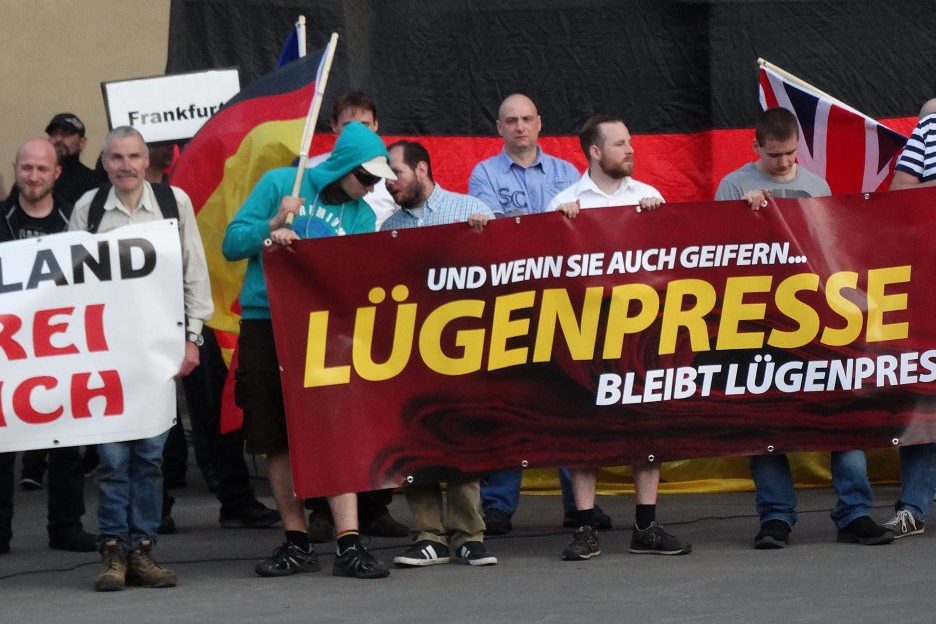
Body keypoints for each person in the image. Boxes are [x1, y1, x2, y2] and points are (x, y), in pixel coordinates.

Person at [222, 121, 395, 579]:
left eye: (378, 180)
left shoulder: (362, 214)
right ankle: (295, 539)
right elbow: (230, 243)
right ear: (342, 166)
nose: (372, 187)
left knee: (335, 430)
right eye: (366, 177)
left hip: (324, 327)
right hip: (266, 320)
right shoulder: (282, 183)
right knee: (274, 436)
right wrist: (273, 226)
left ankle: (349, 541)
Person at [716, 107, 893, 548]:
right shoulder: (733, 186)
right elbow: (716, 254)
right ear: (755, 147)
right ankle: (776, 516)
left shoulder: (817, 186)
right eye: (775, 155)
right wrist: (743, 216)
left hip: (814, 315)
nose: (785, 164)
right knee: (764, 419)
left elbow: (829, 248)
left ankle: (854, 513)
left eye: (792, 153)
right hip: (757, 321)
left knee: (843, 412)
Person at [70, 126, 214, 590]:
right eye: (116, 157)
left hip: (158, 353)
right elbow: (68, 286)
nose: (126, 166)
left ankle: (142, 550)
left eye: (134, 157)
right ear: (105, 162)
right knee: (112, 459)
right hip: (107, 354)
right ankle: (113, 552)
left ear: (145, 161)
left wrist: (194, 339)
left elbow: (195, 273)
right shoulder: (88, 210)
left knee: (150, 457)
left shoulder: (175, 204)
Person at [548, 115, 690, 560]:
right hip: (584, 336)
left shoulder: (650, 196)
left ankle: (646, 525)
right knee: (583, 430)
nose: (631, 150)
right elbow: (547, 276)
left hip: (642, 333)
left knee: (646, 427)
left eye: (630, 142)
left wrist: (657, 223)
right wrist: (561, 228)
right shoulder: (563, 202)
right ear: (594, 151)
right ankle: (586, 527)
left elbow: (675, 263)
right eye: (620, 144)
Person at [469, 93, 601, 535]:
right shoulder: (482, 174)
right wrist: (546, 222)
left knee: (569, 395)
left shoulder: (569, 172)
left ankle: (577, 505)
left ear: (540, 123)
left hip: (564, 298)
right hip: (509, 300)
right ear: (499, 128)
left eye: (527, 119)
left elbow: (582, 230)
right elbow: (493, 231)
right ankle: (498, 506)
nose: (520, 126)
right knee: (511, 400)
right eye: (511, 120)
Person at [378, 140, 497, 567]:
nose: (389, 182)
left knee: (460, 435)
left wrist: (491, 237)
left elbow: (506, 270)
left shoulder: (472, 210)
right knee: (416, 438)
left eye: (396, 172)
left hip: (464, 347)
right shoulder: (387, 227)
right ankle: (429, 534)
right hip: (410, 349)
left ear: (422, 168)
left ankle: (469, 534)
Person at [0, 139, 95, 554]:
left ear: (57, 172)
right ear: (16, 170)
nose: (33, 177)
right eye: (26, 168)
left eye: (42, 169)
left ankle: (66, 527)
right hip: (6, 352)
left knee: (67, 441)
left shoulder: (72, 225)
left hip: (61, 348)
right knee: (2, 448)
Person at [882, 98, 936, 538]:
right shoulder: (931, 128)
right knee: (924, 392)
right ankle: (914, 508)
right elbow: (900, 195)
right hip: (929, 282)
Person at [307, 90, 399, 230]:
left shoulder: (397, 171)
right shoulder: (309, 167)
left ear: (376, 124)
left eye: (364, 125)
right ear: (334, 126)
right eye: (348, 125)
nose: (357, 131)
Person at [45, 113, 102, 204]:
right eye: (54, 134)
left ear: (81, 142)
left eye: (66, 134)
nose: (58, 139)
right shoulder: (36, 177)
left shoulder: (92, 181)